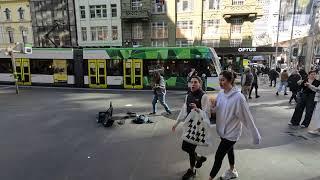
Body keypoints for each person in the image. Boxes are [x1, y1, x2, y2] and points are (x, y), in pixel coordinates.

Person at [208, 70, 261, 180]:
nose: (220, 83)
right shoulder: (221, 94)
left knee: (218, 156)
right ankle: (232, 171)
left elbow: (247, 117)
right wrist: (212, 108)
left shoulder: (239, 97)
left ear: (230, 80)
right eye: (219, 80)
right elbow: (217, 110)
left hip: (232, 133)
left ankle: (210, 178)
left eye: (223, 80)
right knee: (230, 150)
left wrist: (255, 136)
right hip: (222, 131)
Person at [172, 76, 212, 180]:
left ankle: (192, 170)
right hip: (189, 126)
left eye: (195, 82)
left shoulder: (204, 96)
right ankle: (199, 158)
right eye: (191, 82)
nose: (193, 84)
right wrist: (176, 123)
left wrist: (198, 109)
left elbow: (208, 114)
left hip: (198, 127)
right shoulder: (188, 95)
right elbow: (184, 110)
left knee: (189, 148)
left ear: (200, 84)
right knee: (185, 147)